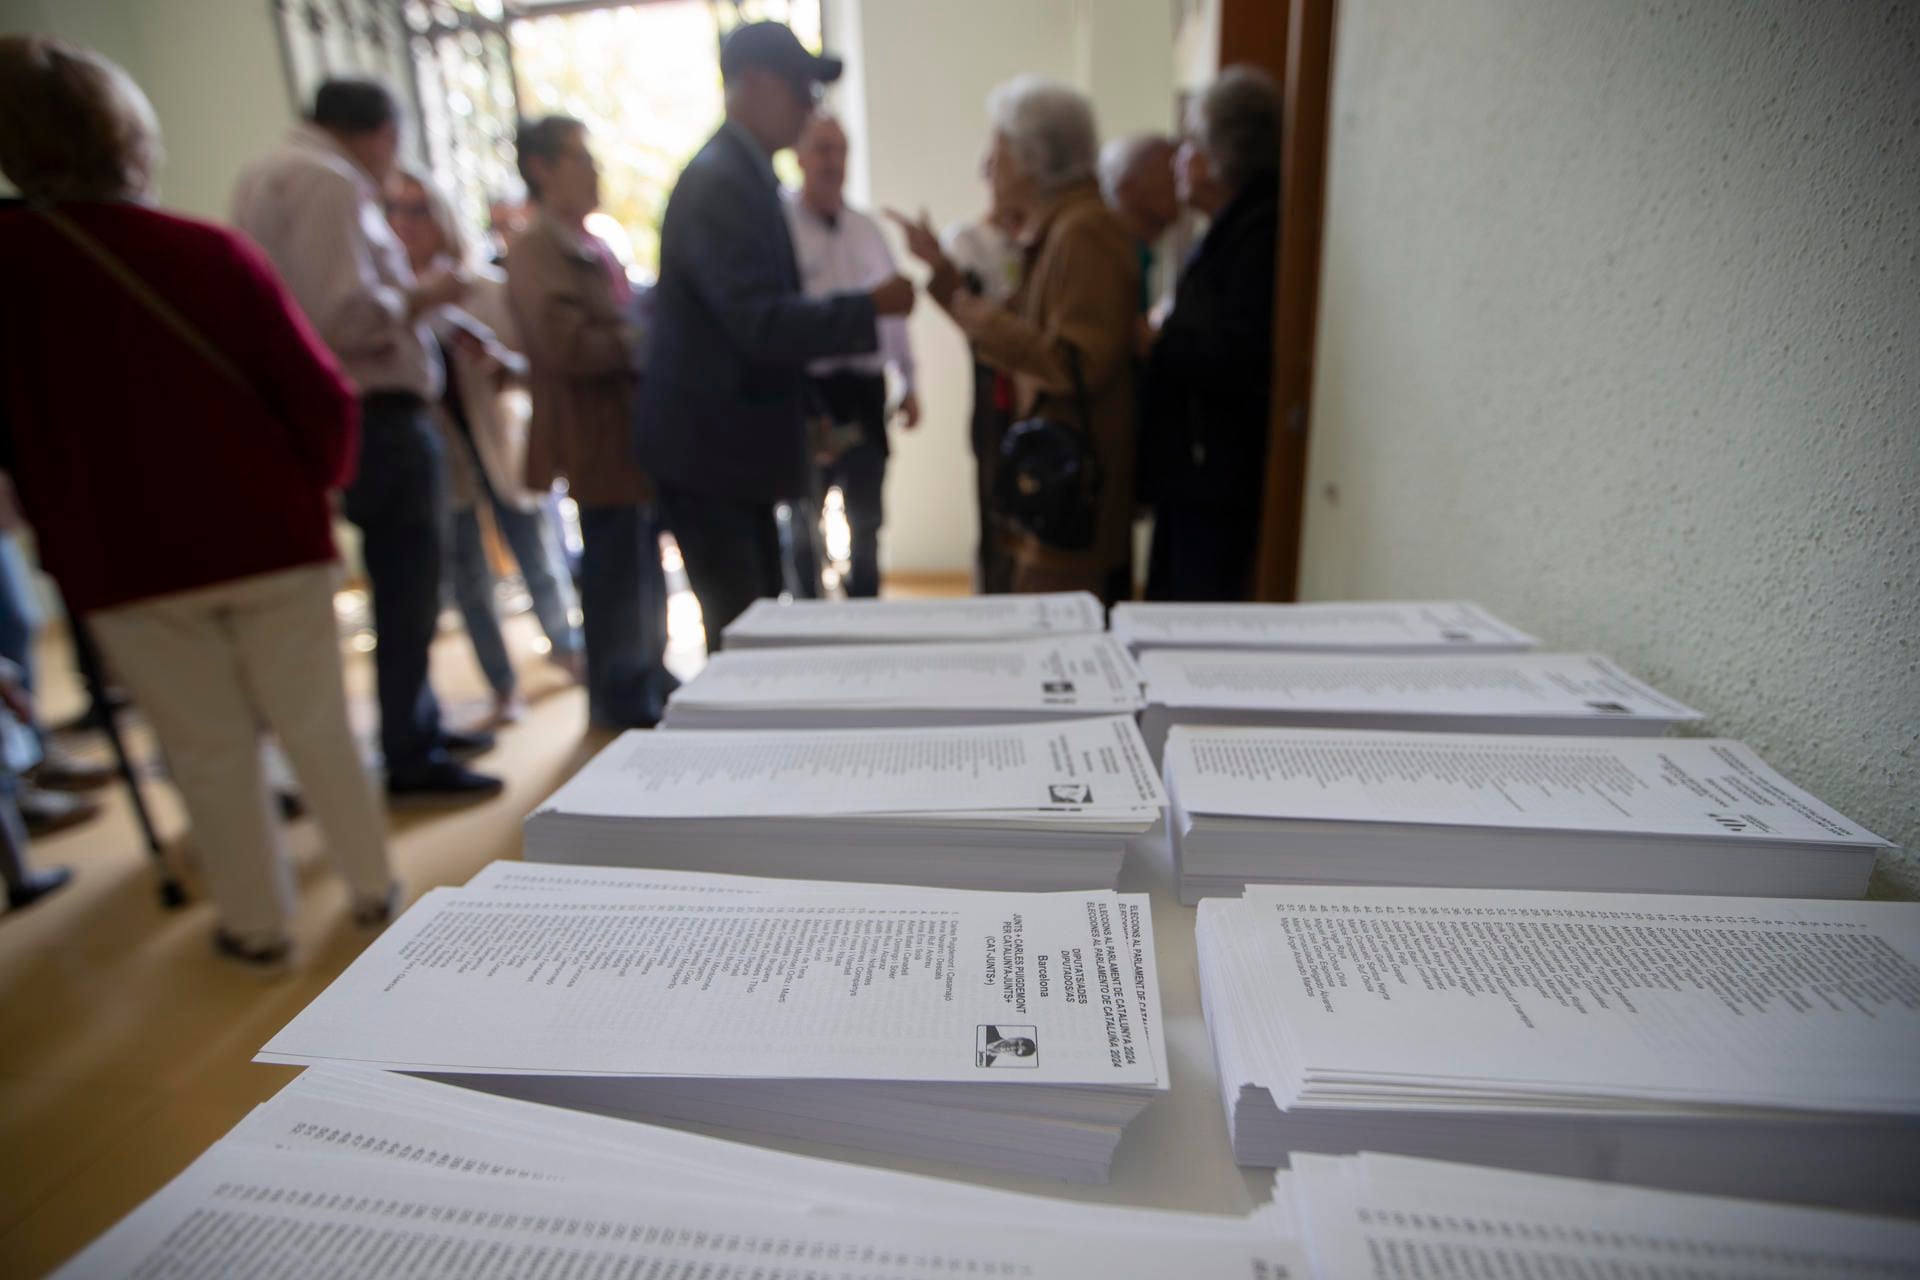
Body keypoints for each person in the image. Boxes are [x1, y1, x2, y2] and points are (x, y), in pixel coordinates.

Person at [0, 36, 397, 963]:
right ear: (126, 135)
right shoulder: (204, 253)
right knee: (318, 728)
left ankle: (259, 928)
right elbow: (324, 396)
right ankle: (375, 890)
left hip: (120, 558)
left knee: (207, 753)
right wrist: (315, 488)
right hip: (268, 533)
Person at [232, 77, 502, 802]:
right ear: (381, 132)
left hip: (338, 413)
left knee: (405, 583)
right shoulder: (329, 183)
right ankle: (410, 751)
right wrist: (429, 293)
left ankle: (417, 724)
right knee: (408, 585)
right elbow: (344, 315)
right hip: (376, 412)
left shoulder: (268, 175)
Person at [639, 20, 915, 646]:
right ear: (756, 85)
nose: (809, 108)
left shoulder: (744, 177)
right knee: (743, 639)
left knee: (755, 624)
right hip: (712, 453)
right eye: (802, 90)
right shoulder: (722, 183)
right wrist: (867, 306)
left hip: (728, 450)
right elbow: (759, 322)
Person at [891, 77, 1139, 604]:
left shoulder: (1082, 232)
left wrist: (967, 304)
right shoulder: (1062, 229)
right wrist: (949, 281)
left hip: (1070, 499)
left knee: (1055, 644)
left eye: (996, 151)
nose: (986, 167)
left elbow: (1075, 362)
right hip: (1057, 492)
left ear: (1032, 157)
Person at [386, 169, 583, 725]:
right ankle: (501, 684)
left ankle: (568, 649)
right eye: (396, 210)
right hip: (442, 457)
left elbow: (529, 366)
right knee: (469, 575)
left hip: (499, 444)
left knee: (536, 554)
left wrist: (500, 364)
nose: (406, 223)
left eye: (419, 209)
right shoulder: (390, 297)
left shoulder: (486, 289)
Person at [509, 116, 679, 727]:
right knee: (612, 570)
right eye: (579, 158)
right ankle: (619, 694)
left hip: (628, 433)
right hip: (595, 437)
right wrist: (636, 333)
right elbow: (565, 345)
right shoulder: (535, 250)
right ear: (542, 168)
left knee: (638, 562)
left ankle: (648, 675)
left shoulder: (594, 244)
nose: (594, 169)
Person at [1141, 67, 1282, 602]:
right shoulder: (1230, 229)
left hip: (1215, 475)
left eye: (1190, 144)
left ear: (1221, 154)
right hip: (1195, 469)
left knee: (1192, 610)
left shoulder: (1256, 233)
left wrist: (1158, 343)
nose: (1178, 159)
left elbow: (1237, 354)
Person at [784, 113, 919, 599]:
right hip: (809, 394)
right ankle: (807, 614)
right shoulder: (781, 229)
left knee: (867, 520)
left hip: (863, 394)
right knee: (805, 520)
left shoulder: (867, 230)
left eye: (839, 150)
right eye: (822, 149)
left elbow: (895, 313)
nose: (831, 161)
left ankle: (866, 611)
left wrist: (910, 380)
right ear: (800, 156)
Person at [941, 151, 1026, 595]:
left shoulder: (1037, 239)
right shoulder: (968, 239)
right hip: (993, 387)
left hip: (1032, 387)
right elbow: (975, 314)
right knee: (994, 499)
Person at [1098, 132, 1178, 315]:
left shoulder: (1139, 254)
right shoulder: (1110, 259)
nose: (1180, 179)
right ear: (1126, 188)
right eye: (1169, 170)